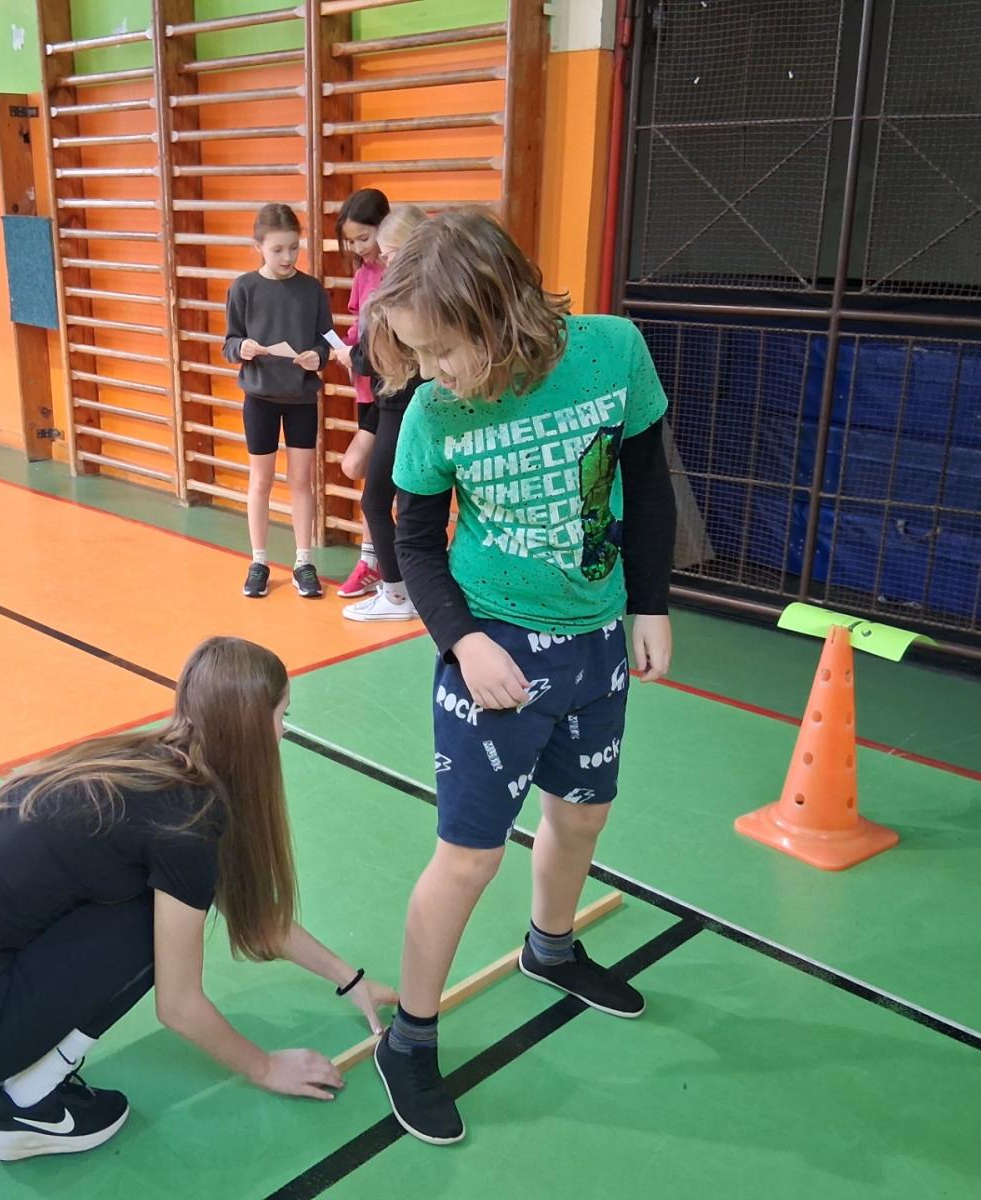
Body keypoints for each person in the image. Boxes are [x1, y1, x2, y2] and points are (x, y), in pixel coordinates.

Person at [363, 208, 677, 1145]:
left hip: (596, 640)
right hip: (494, 647)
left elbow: (648, 483)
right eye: (416, 352)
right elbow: (415, 543)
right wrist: (463, 642)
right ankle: (409, 1041)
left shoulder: (614, 354)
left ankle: (552, 947)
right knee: (469, 855)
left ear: (500, 316)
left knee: (581, 817)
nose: (429, 372)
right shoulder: (434, 414)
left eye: (441, 350)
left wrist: (650, 603)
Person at [0, 636, 396, 1162]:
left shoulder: (139, 761)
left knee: (152, 898)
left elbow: (246, 907)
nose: (283, 731)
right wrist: (265, 1067)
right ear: (251, 727)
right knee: (155, 921)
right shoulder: (187, 820)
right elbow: (179, 1005)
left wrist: (350, 980)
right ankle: (26, 1107)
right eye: (282, 715)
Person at [223, 204, 335, 599]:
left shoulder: (311, 289)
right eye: (278, 250)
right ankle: (259, 561)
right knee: (261, 481)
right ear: (258, 247)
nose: (288, 257)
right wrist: (242, 348)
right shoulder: (243, 288)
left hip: (301, 399)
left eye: (293, 248)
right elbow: (229, 342)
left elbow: (327, 341)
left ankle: (304, 561)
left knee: (302, 481)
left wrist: (318, 356)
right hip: (260, 400)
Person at [341, 204, 430, 623]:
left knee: (378, 502)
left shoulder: (407, 295)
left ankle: (397, 595)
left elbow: (378, 358)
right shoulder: (419, 289)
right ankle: (410, 591)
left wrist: (354, 356)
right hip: (399, 404)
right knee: (410, 508)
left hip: (402, 404)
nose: (385, 260)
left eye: (390, 252)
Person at [328, 187, 392, 600]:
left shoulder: (401, 272)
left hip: (396, 392)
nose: (358, 248)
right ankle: (373, 562)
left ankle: (392, 566)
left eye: (364, 238)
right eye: (351, 241)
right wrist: (342, 348)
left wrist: (357, 353)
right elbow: (359, 328)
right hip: (367, 391)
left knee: (370, 476)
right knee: (367, 477)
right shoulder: (363, 273)